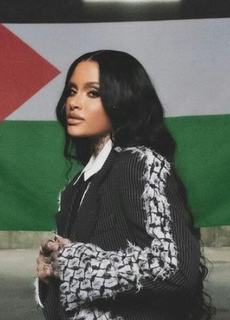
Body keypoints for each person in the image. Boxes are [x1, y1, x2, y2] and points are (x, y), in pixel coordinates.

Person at [34, 50, 214, 320]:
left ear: (123, 100)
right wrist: (50, 275)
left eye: (93, 93)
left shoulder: (138, 163)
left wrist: (73, 262)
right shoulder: (75, 187)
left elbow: (175, 267)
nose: (74, 103)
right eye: (72, 91)